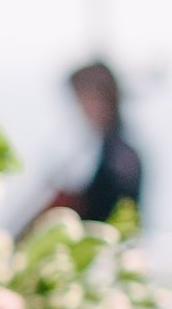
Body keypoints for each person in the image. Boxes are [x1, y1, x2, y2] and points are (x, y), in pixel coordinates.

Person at [34, 60, 143, 230]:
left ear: (102, 99)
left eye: (82, 99)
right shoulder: (107, 149)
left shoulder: (120, 158)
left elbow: (108, 210)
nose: (80, 109)